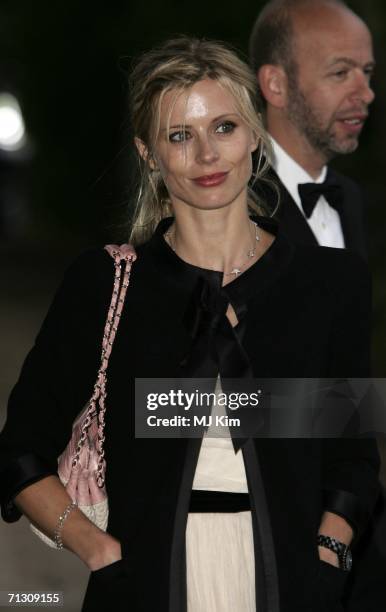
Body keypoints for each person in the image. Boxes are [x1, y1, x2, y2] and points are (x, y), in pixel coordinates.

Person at [0, 37, 381, 612]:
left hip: (291, 589)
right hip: (149, 591)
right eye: (180, 135)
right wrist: (101, 553)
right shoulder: (104, 284)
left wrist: (327, 557)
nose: (207, 155)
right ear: (149, 154)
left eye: (224, 127)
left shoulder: (329, 284)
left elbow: (352, 460)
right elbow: (19, 453)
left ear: (256, 135)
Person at [249, 1, 386, 609]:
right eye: (340, 73)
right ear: (275, 83)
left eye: (368, 73)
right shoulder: (224, 205)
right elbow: (178, 404)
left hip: (354, 524)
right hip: (263, 538)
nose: (366, 92)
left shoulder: (348, 200)